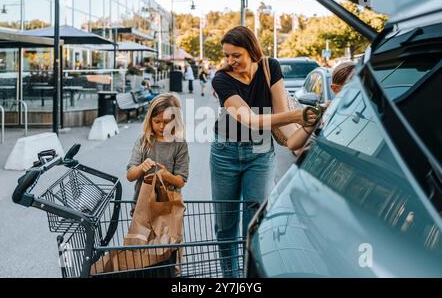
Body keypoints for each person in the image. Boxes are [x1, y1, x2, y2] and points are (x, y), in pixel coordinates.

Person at [210, 26, 317, 277]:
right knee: (225, 225)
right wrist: (298, 115)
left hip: (260, 153)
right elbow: (250, 119)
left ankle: (250, 277)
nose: (230, 61)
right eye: (227, 55)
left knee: (254, 223)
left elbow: (279, 115)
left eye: (236, 55)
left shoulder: (271, 67)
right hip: (225, 152)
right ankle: (231, 279)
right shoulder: (221, 79)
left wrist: (299, 135)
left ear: (252, 51)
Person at [126, 93, 189, 212]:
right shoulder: (143, 141)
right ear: (150, 120)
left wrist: (167, 176)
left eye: (166, 122)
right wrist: (141, 168)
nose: (161, 126)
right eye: (157, 121)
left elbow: (180, 182)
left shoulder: (180, 144)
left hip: (169, 209)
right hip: (142, 207)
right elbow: (130, 176)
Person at [286, 61, 357, 151]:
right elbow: (292, 144)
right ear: (335, 89)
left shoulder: (371, 108)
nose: (357, 91)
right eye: (349, 87)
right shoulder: (326, 111)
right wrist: (321, 112)